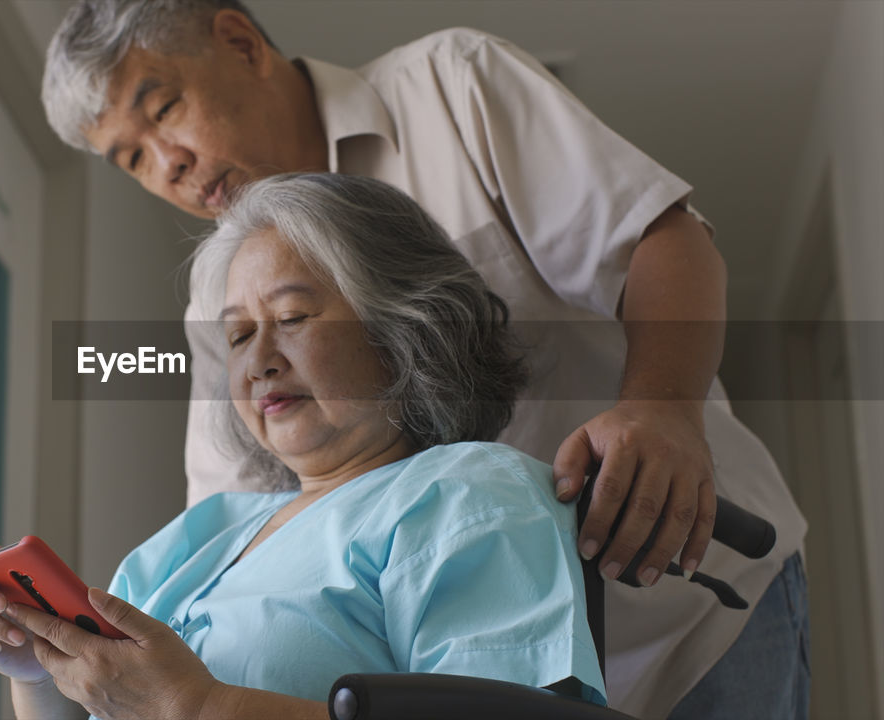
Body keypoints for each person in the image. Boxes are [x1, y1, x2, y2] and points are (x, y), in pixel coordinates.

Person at [40, 2, 809, 718]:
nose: (166, 166)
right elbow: (240, 524)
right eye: (131, 158)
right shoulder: (220, 303)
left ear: (240, 44)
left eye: (164, 110)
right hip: (441, 645)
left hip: (684, 603)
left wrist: (662, 408)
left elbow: (660, 241)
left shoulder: (454, 87)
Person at [0, 173, 605, 719]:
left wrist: (200, 706)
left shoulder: (468, 494)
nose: (259, 360)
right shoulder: (195, 538)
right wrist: (38, 667)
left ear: (403, 326)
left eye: (292, 319)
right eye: (239, 336)